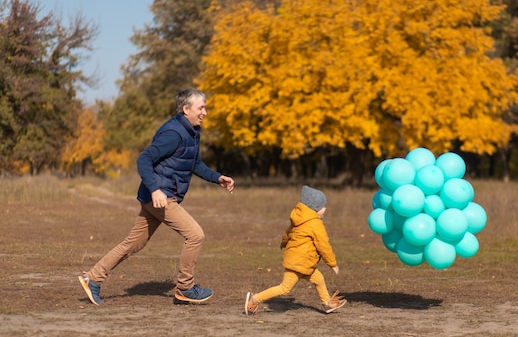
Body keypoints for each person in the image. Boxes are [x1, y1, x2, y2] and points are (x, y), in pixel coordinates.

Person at [78, 88, 235, 306]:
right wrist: (155, 189)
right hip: (160, 197)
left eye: (205, 107)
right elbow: (144, 159)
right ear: (186, 109)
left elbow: (195, 164)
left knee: (132, 244)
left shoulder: (191, 132)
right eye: (201, 107)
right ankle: (185, 288)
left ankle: (92, 278)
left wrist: (218, 178)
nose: (205, 112)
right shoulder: (173, 134)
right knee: (195, 235)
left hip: (160, 196)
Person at [245, 186, 347, 315]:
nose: (325, 209)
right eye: (323, 206)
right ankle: (254, 299)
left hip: (303, 262)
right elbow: (323, 245)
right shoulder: (315, 224)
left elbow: (288, 232)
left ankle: (327, 304)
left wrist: (283, 242)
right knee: (284, 289)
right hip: (300, 263)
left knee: (319, 279)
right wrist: (332, 264)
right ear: (314, 208)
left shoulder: (299, 219)